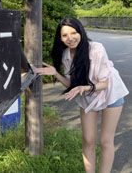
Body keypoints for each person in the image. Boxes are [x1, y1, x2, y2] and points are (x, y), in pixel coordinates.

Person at [34, 17, 129, 173]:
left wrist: (84, 88)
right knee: (88, 140)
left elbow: (104, 83)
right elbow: (71, 84)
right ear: (60, 37)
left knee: (105, 141)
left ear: (81, 32)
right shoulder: (65, 54)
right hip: (88, 97)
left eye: (74, 32)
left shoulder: (96, 48)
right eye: (65, 35)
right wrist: (55, 74)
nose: (70, 38)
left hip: (111, 94)